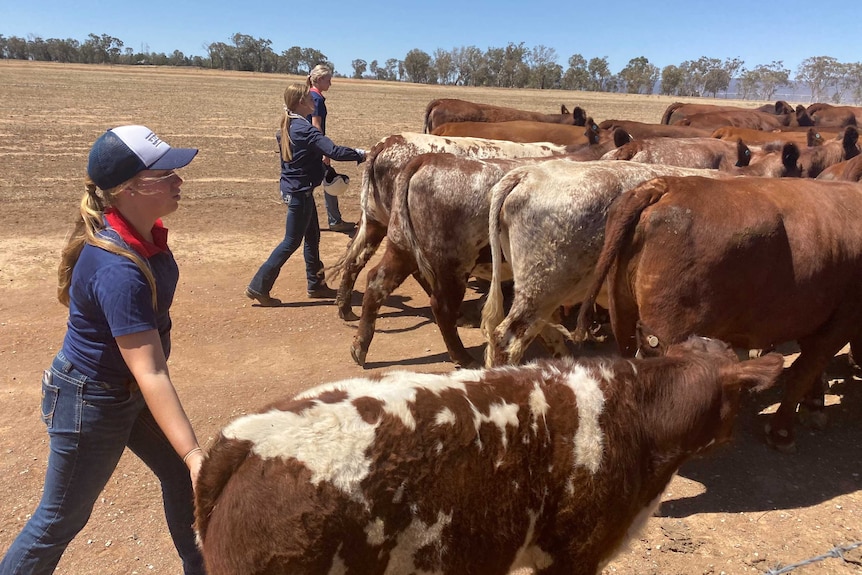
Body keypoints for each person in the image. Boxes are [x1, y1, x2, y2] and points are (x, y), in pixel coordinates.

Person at [0, 126, 206, 575]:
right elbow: (151, 371)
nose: (179, 181)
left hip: (125, 391)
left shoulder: (140, 232)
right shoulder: (119, 271)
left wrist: (188, 460)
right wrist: (193, 453)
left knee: (183, 484)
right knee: (58, 521)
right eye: (166, 173)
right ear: (130, 189)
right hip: (91, 401)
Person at [245, 83, 365, 306]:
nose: (314, 101)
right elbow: (334, 151)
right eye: (310, 98)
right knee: (291, 241)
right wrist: (363, 154)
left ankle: (316, 284)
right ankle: (259, 286)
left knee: (312, 237)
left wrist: (323, 171)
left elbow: (302, 159)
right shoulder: (305, 129)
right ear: (301, 102)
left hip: (295, 189)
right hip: (300, 193)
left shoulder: (290, 125)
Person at [307, 64, 354, 233]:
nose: (330, 84)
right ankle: (334, 221)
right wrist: (324, 151)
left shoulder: (309, 95)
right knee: (329, 180)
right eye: (328, 80)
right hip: (315, 148)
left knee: (320, 180)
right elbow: (316, 125)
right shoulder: (317, 99)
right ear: (319, 80)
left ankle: (328, 220)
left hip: (308, 147)